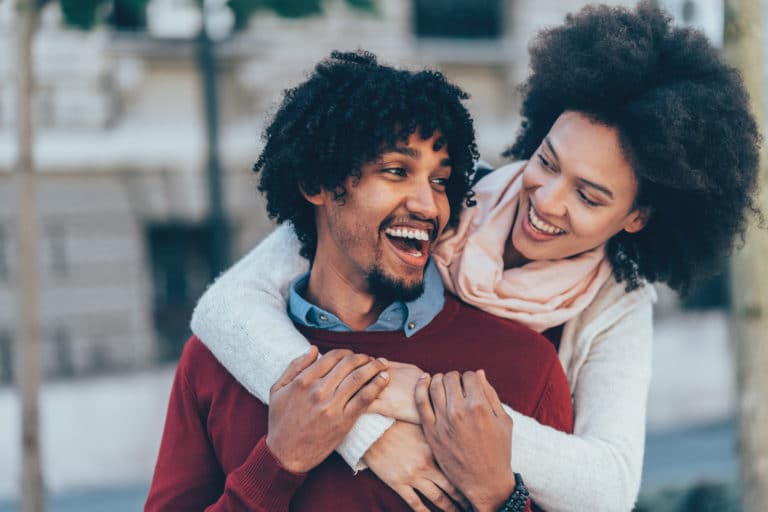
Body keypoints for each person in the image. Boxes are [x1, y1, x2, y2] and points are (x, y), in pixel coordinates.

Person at [191, 3, 762, 511]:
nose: (547, 201)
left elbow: (608, 489)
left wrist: (428, 400)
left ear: (636, 218)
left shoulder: (612, 305)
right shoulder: (439, 200)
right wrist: (370, 433)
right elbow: (225, 308)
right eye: (548, 161)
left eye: (589, 196)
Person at [146, 50, 574, 512]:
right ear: (319, 183)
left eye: (439, 181)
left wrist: (500, 498)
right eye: (396, 171)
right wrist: (277, 464)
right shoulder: (214, 361)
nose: (429, 206)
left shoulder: (522, 363)